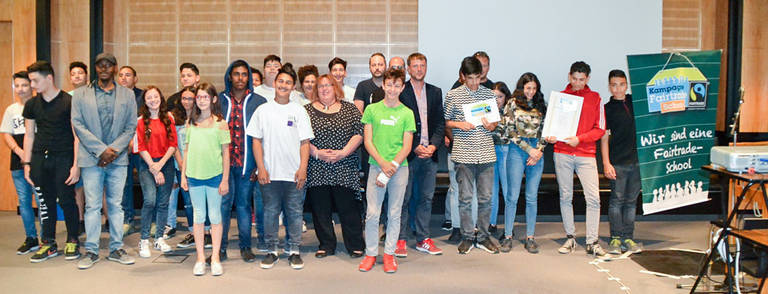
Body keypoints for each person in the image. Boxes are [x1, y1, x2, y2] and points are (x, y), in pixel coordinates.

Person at [71, 53, 138, 269]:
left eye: (108, 65)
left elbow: (130, 127)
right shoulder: (80, 94)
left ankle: (116, 248)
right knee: (92, 207)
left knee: (116, 206)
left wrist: (113, 151)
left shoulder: (127, 95)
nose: (104, 68)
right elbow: (78, 125)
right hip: (91, 159)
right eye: (100, 65)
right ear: (95, 68)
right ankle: (91, 250)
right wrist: (101, 151)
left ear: (115, 68)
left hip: (117, 160)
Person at [247, 63, 314, 270]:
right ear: (275, 83)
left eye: (288, 82)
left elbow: (305, 142)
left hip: (293, 174)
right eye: (281, 81)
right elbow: (256, 141)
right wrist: (261, 168)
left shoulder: (299, 111)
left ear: (293, 87)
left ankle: (293, 250)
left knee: (294, 212)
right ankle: (271, 250)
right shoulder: (263, 110)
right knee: (270, 212)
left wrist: (303, 169)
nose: (284, 85)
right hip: (269, 174)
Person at [545, 61, 606, 256]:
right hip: (562, 152)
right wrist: (551, 136)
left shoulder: (596, 98)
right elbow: (550, 129)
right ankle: (570, 237)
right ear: (569, 76)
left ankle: (592, 241)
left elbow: (600, 129)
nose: (578, 83)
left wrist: (580, 139)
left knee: (594, 198)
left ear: (587, 78)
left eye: (582, 79)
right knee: (566, 197)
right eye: (575, 79)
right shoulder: (560, 98)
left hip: (586, 154)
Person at [357, 68, 415, 273]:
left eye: (397, 85)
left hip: (399, 169)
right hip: (376, 166)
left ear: (402, 87)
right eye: (389, 84)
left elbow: (407, 146)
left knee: (394, 213)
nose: (392, 89)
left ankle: (389, 254)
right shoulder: (372, 110)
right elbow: (368, 141)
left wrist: (392, 167)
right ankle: (371, 254)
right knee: (373, 213)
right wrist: (382, 164)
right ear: (383, 85)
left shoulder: (407, 113)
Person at [22, 61, 81, 263]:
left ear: (49, 78)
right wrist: (27, 164)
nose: (32, 85)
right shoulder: (31, 105)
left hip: (63, 158)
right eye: (30, 81)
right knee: (44, 204)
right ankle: (48, 243)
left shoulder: (68, 102)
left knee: (66, 201)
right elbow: (29, 135)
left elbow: (76, 137)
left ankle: (73, 238)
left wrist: (76, 165)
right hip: (39, 159)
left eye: (35, 80)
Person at [305, 74, 365, 259]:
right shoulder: (305, 110)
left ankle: (355, 244)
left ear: (336, 87)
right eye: (320, 85)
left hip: (344, 165)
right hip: (316, 166)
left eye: (328, 85)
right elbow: (301, 137)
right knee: (320, 209)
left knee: (349, 208)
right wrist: (316, 153)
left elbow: (360, 132)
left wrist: (343, 152)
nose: (324, 88)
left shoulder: (350, 109)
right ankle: (326, 244)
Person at [444, 56, 499, 255]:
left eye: (478, 77)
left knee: (486, 198)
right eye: (471, 78)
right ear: (463, 77)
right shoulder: (453, 95)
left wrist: (490, 124)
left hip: (486, 153)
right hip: (463, 153)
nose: (475, 82)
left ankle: (483, 236)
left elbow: (495, 124)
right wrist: (459, 124)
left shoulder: (488, 94)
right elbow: (446, 121)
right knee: (465, 198)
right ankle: (467, 236)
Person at [217, 59, 267, 263]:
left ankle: (246, 246)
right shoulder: (219, 100)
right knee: (223, 206)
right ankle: (220, 247)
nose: (240, 78)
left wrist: (260, 164)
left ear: (249, 77)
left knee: (244, 206)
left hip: (247, 165)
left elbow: (264, 136)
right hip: (223, 165)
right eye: (236, 74)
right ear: (230, 76)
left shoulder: (259, 102)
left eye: (244, 74)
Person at [395, 52, 445, 257]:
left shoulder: (435, 91)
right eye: (414, 66)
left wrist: (433, 146)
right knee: (403, 198)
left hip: (430, 154)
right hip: (408, 154)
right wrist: (414, 145)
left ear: (426, 67)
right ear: (408, 69)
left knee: (426, 198)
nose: (418, 69)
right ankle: (400, 239)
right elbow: (397, 122)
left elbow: (440, 123)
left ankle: (423, 238)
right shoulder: (401, 91)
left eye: (422, 65)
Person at [180, 82, 229, 276]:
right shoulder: (191, 123)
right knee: (198, 217)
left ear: (213, 99)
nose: (201, 100)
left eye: (205, 97)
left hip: (215, 176)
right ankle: (200, 257)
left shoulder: (221, 123)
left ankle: (215, 257)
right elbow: (186, 150)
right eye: (198, 97)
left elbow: (226, 154)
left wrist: (225, 179)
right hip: (194, 177)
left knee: (215, 216)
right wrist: (183, 175)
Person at [496, 75, 547, 254]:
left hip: (536, 153)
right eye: (528, 88)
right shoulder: (512, 104)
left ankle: (530, 237)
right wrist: (529, 150)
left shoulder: (541, 104)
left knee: (532, 197)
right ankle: (508, 236)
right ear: (521, 87)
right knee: (512, 196)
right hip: (517, 151)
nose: (531, 92)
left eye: (534, 88)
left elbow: (545, 131)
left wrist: (539, 150)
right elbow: (510, 131)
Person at [601, 69, 642, 254]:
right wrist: (606, 163)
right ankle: (616, 238)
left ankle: (629, 237)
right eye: (614, 85)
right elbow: (604, 139)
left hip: (637, 162)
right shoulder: (607, 109)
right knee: (617, 201)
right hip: (617, 162)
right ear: (610, 87)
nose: (618, 88)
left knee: (631, 202)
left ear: (627, 85)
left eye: (622, 84)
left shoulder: (636, 103)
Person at [134, 86, 177, 258]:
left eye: (156, 96)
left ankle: (159, 238)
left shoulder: (169, 118)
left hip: (166, 163)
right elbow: (141, 146)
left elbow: (173, 144)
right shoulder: (140, 121)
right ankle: (144, 239)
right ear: (145, 101)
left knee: (163, 203)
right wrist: (153, 166)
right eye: (149, 97)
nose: (153, 100)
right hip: (147, 164)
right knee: (150, 200)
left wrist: (160, 165)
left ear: (161, 98)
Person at [3, 71, 39, 254]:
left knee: (42, 201)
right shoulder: (11, 110)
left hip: (38, 161)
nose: (21, 89)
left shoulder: (39, 106)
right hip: (18, 163)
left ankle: (47, 238)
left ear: (32, 86)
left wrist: (31, 154)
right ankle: (31, 238)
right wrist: (19, 151)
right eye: (17, 86)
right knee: (24, 201)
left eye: (24, 85)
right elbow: (6, 134)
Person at [171, 86, 197, 249]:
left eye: (190, 99)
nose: (187, 102)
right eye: (184, 98)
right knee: (187, 202)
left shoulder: (201, 119)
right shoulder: (175, 119)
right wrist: (181, 163)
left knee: (197, 202)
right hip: (179, 165)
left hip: (197, 166)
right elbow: (173, 144)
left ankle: (201, 232)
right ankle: (193, 231)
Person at [68, 61, 88, 234]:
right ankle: (80, 219)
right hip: (73, 145)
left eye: (80, 73)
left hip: (92, 145)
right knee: (78, 187)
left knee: (101, 186)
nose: (77, 76)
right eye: (73, 73)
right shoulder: (67, 97)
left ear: (86, 75)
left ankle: (108, 220)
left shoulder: (93, 93)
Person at [488, 82, 510, 237]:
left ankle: (509, 227)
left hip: (506, 151)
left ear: (506, 97)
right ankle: (492, 223)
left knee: (508, 191)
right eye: (494, 96)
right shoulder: (486, 111)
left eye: (500, 96)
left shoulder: (510, 112)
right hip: (490, 151)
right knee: (492, 190)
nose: (497, 100)